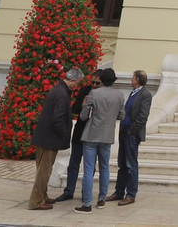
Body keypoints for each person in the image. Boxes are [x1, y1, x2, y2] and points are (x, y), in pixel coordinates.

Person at [29, 67, 84, 211]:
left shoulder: (59, 90)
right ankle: (36, 201)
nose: (77, 85)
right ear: (71, 80)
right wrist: (64, 132)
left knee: (44, 169)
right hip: (49, 138)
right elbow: (57, 119)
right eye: (77, 83)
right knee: (44, 170)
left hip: (46, 137)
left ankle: (43, 196)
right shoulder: (61, 94)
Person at [75, 67, 124, 212]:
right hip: (107, 134)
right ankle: (102, 198)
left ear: (102, 80)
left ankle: (88, 203)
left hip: (91, 133)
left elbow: (83, 116)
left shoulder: (94, 93)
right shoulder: (120, 95)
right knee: (104, 168)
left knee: (89, 170)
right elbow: (122, 115)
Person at [55, 69, 101, 202]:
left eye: (97, 83)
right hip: (80, 132)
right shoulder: (85, 90)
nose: (94, 85)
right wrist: (82, 106)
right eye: (92, 82)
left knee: (90, 166)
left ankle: (85, 193)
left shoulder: (104, 95)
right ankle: (69, 191)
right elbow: (74, 109)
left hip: (93, 134)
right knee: (73, 163)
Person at [110, 69, 153, 206]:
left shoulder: (145, 94)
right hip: (124, 131)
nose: (131, 79)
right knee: (122, 163)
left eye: (133, 77)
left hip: (131, 133)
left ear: (138, 79)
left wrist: (132, 130)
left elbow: (143, 116)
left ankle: (131, 193)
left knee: (131, 164)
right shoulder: (132, 93)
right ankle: (119, 191)